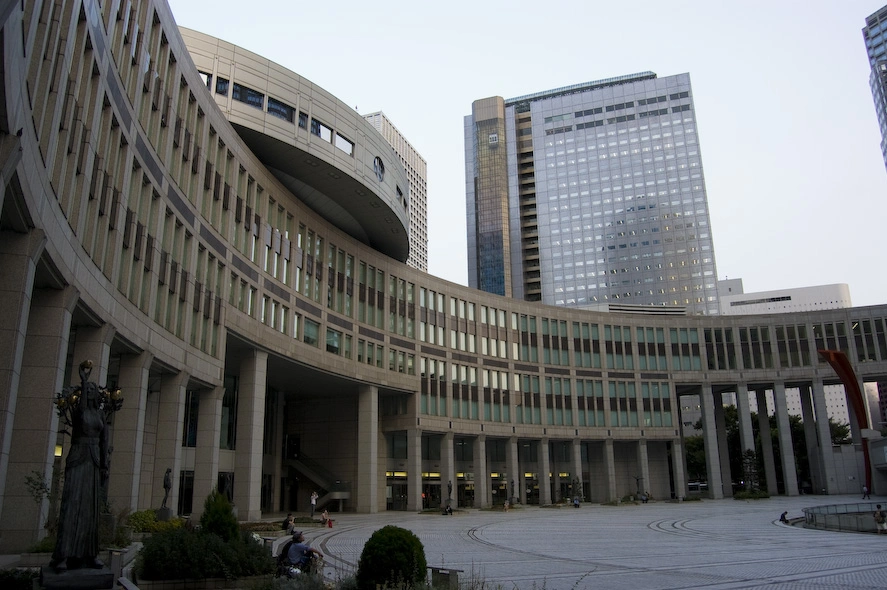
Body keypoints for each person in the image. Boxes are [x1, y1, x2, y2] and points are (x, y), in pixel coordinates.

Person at [51, 362, 111, 572]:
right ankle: (63, 556)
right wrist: (84, 380)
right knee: (72, 505)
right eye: (89, 390)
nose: (92, 393)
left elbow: (105, 442)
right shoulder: (80, 412)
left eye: (94, 390)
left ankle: (89, 554)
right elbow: (82, 410)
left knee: (90, 509)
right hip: (79, 458)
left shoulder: (102, 415)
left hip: (94, 461)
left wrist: (104, 464)